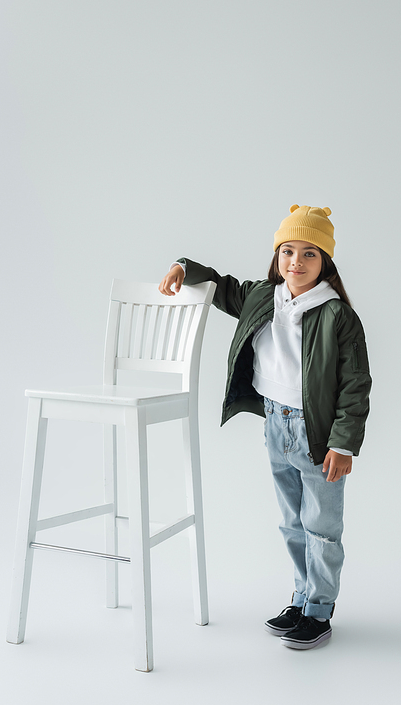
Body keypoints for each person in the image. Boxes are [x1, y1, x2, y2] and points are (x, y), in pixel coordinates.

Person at [158, 204, 371, 650]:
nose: (296, 262)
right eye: (288, 251)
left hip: (317, 436)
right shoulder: (261, 296)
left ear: (325, 262)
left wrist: (343, 445)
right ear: (277, 257)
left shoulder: (337, 316)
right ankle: (300, 598)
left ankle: (320, 609)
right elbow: (220, 286)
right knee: (292, 522)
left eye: (309, 254)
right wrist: (182, 267)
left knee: (322, 527)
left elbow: (355, 385)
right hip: (276, 424)